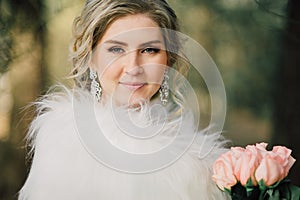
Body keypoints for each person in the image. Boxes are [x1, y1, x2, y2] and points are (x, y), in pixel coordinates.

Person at [18, 0, 230, 199]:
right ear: (91, 58)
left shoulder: (203, 165)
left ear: (168, 59)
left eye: (149, 50)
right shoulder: (62, 143)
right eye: (116, 49)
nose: (134, 67)